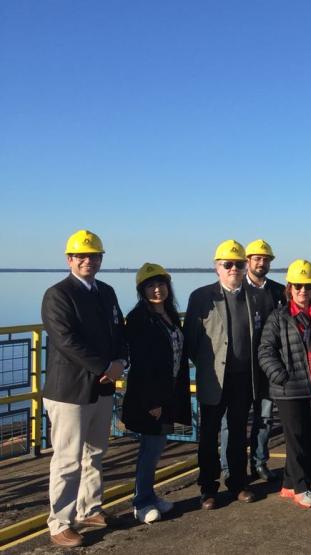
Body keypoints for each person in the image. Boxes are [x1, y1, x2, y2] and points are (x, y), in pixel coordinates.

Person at [40, 230, 128, 547]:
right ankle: (59, 523)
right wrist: (106, 367)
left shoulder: (106, 292)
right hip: (69, 392)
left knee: (95, 454)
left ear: (101, 259)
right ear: (70, 259)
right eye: (81, 256)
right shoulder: (58, 295)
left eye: (93, 256)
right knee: (66, 460)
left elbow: (119, 331)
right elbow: (66, 341)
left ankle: (89, 508)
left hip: (101, 388)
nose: (87, 260)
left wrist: (120, 360)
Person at [184, 240, 275, 509]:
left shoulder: (256, 296)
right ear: (217, 268)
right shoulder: (201, 297)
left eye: (238, 264)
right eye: (228, 264)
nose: (234, 269)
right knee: (209, 435)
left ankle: (238, 483)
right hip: (214, 378)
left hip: (243, 378)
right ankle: (208, 488)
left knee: (237, 433)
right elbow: (191, 340)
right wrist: (209, 366)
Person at [258, 260, 311, 509]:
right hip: (290, 390)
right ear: (290, 288)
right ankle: (302, 487)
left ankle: (289, 484)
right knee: (297, 439)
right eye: (298, 286)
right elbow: (265, 350)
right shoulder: (279, 318)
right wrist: (282, 376)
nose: (303, 291)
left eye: (308, 286)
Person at [122, 263, 192, 523]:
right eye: (150, 285)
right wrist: (153, 401)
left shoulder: (170, 315)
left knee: (157, 447)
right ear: (142, 290)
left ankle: (150, 496)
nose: (157, 289)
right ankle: (141, 503)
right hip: (150, 398)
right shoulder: (139, 318)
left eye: (161, 284)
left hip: (169, 393)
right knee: (149, 449)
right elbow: (141, 363)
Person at [219, 239, 285, 483]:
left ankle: (259, 462)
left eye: (265, 259)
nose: (261, 263)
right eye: (257, 258)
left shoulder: (278, 291)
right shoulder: (236, 289)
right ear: (247, 261)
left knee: (264, 418)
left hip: (267, 368)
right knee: (231, 421)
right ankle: (228, 468)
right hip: (239, 369)